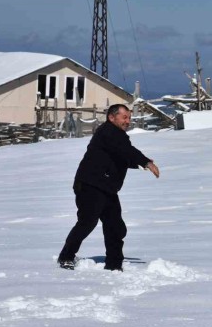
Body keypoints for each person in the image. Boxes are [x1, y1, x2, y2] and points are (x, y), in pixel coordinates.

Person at [57, 104, 160, 271]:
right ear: (112, 118)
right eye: (124, 117)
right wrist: (145, 161)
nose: (128, 121)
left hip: (107, 188)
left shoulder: (117, 136)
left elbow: (121, 155)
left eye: (129, 117)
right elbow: (125, 150)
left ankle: (114, 264)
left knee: (115, 226)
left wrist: (140, 164)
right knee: (87, 223)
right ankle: (66, 256)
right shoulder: (108, 132)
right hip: (90, 185)